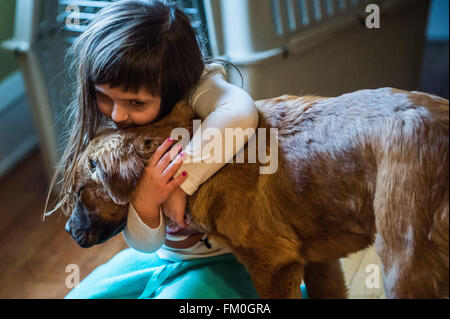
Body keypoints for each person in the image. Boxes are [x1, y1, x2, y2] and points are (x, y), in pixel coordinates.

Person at [50, 0, 307, 299]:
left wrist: (183, 180)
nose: (117, 115)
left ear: (177, 85)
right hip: (162, 256)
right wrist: (146, 200)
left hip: (228, 258)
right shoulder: (114, 137)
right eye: (104, 97)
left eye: (135, 103)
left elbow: (240, 113)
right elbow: (147, 244)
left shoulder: (199, 89)